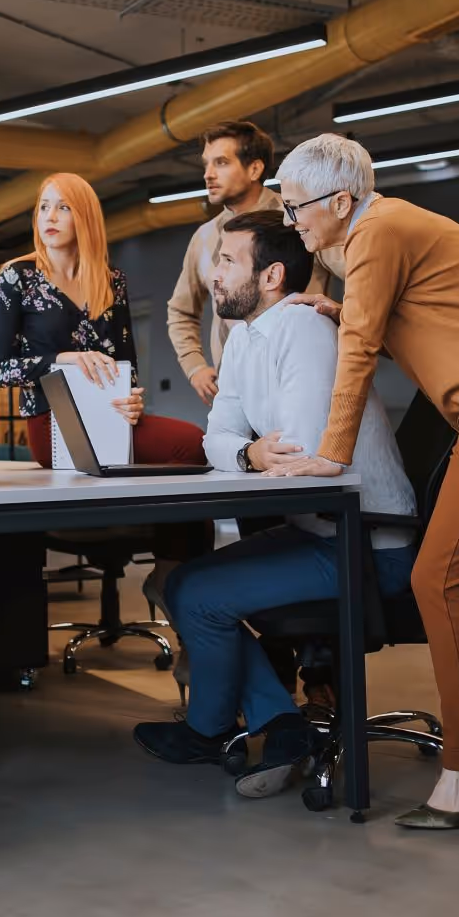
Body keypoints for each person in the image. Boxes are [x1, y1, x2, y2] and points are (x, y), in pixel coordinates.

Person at [269, 134, 459, 829]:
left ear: (339, 201)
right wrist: (344, 307)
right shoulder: (391, 226)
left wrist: (330, 453)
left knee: (436, 579)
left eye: (295, 209)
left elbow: (360, 352)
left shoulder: (376, 233)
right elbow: (418, 310)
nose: (292, 223)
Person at [133, 212, 417, 798]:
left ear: (272, 275)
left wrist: (254, 455)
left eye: (227, 260)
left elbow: (308, 456)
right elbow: (217, 437)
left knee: (199, 592)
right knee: (180, 583)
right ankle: (278, 724)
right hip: (319, 530)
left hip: (367, 542)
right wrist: (249, 456)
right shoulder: (243, 338)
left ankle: (221, 730)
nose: (212, 274)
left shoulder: (303, 329)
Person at [0, 172, 211, 613]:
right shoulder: (17, 277)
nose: (49, 216)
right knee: (191, 444)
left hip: (110, 416)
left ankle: (171, 574)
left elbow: (127, 364)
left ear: (84, 217)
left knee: (195, 445)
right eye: (44, 206)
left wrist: (133, 399)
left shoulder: (112, 281)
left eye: (63, 207)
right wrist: (62, 359)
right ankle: (175, 578)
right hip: (52, 423)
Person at [167, 121, 327, 405]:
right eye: (206, 164)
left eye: (221, 162)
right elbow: (181, 311)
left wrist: (344, 318)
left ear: (255, 169)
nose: (208, 174)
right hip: (233, 390)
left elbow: (361, 278)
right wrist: (195, 368)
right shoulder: (203, 237)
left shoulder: (299, 220)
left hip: (299, 381)